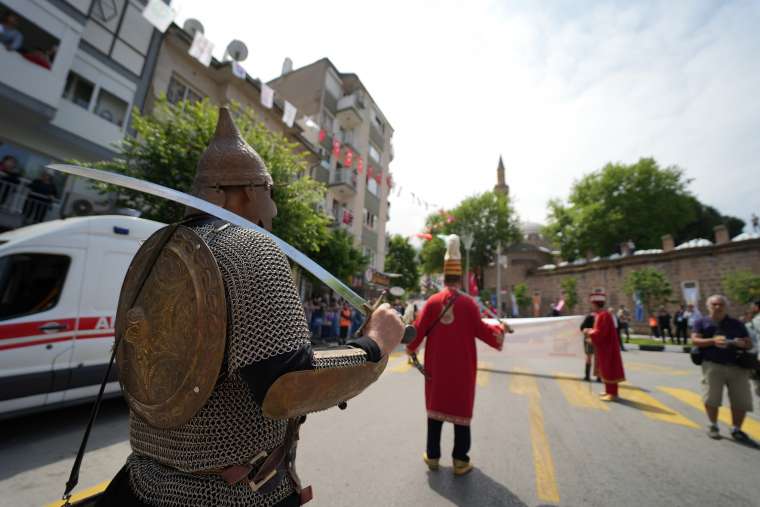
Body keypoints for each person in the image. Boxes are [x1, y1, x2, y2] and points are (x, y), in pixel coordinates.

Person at [95, 108, 405, 506]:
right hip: (230, 495)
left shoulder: (154, 251)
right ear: (246, 192)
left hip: (140, 483)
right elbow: (286, 386)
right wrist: (377, 342)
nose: (272, 209)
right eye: (268, 193)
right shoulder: (250, 248)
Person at [406, 234, 505, 476]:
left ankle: (432, 457)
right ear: (460, 277)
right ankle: (460, 461)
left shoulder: (431, 302)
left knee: (435, 412)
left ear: (443, 275)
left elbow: (414, 336)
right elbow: (485, 332)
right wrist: (500, 330)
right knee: (461, 414)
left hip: (437, 370)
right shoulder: (469, 305)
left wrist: (411, 350)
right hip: (462, 371)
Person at [692, 294, 754, 443]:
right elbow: (695, 340)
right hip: (713, 365)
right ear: (708, 306)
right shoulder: (701, 322)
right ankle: (713, 426)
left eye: (721, 304)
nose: (718, 307)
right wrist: (713, 341)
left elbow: (749, 343)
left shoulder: (737, 324)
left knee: (741, 400)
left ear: (726, 306)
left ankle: (736, 429)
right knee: (712, 398)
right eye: (714, 304)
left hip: (737, 366)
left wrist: (742, 343)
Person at [584, 290, 625, 401]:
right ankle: (608, 391)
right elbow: (599, 331)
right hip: (605, 347)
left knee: (609, 369)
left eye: (592, 304)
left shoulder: (604, 316)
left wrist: (589, 332)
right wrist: (592, 331)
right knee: (605, 369)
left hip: (608, 348)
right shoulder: (601, 315)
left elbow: (600, 333)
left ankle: (613, 393)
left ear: (595, 304)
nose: (591, 306)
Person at [581, 311, 599, 382]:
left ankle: (587, 376)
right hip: (596, 338)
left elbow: (582, 328)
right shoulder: (601, 317)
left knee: (589, 357)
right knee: (597, 358)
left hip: (589, 338)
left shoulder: (589, 317)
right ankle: (599, 377)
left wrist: (587, 330)